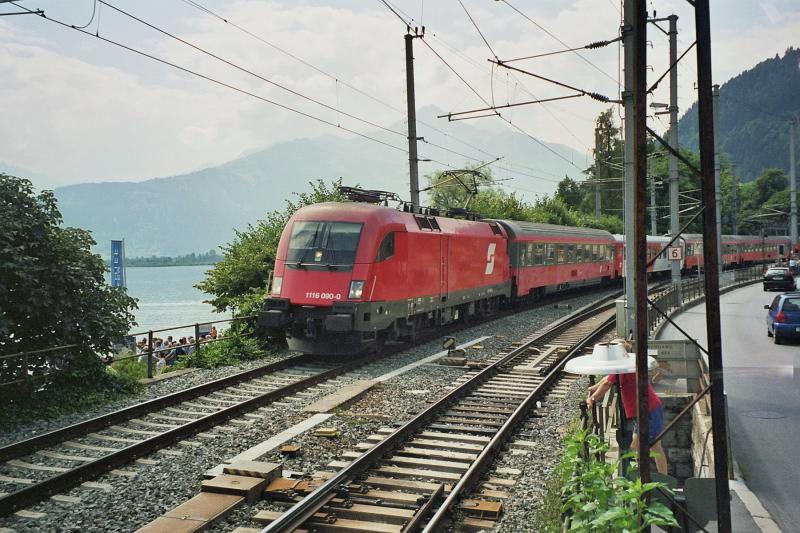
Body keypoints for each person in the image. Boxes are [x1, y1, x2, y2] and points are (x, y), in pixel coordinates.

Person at [587, 339, 668, 475]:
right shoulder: (625, 365)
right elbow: (608, 379)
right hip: (643, 411)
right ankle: (642, 475)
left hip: (648, 411)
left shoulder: (624, 368)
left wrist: (592, 398)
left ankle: (660, 478)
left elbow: (607, 384)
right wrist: (593, 388)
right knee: (635, 446)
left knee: (654, 446)